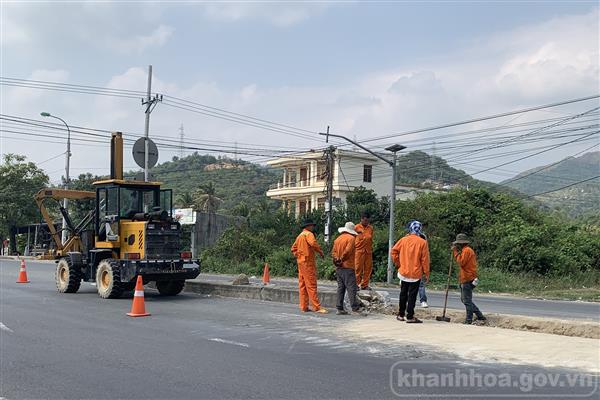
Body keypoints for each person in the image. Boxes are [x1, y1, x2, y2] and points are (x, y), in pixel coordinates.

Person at [391, 220, 430, 323]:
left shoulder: (403, 240)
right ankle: (410, 316)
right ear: (420, 229)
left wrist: (398, 263)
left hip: (404, 272)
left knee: (403, 293)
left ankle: (400, 314)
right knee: (412, 295)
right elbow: (425, 260)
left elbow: (394, 251)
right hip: (416, 273)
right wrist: (426, 273)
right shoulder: (422, 242)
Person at [291, 219, 328, 314]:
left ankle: (304, 306)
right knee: (311, 285)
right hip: (308, 263)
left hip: (301, 263)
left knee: (302, 285)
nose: (313, 227)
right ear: (308, 226)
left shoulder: (300, 236)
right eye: (312, 225)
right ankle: (316, 307)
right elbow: (313, 243)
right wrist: (320, 251)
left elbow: (293, 248)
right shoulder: (309, 234)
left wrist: (299, 255)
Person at [452, 233, 486, 324]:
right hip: (466, 277)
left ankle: (469, 319)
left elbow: (461, 262)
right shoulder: (465, 250)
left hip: (468, 278)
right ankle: (480, 315)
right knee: (465, 299)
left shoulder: (467, 250)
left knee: (466, 300)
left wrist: (455, 252)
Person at [332, 222, 363, 315]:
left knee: (341, 288)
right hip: (348, 266)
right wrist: (342, 259)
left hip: (338, 267)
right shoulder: (351, 238)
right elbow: (348, 251)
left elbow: (333, 252)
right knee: (351, 288)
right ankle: (355, 308)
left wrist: (337, 260)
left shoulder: (337, 239)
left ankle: (339, 308)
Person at [354, 212, 374, 290]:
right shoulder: (356, 227)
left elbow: (370, 238)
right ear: (361, 219)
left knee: (368, 268)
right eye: (365, 220)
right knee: (358, 268)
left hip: (368, 251)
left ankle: (364, 285)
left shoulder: (370, 228)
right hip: (358, 251)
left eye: (368, 220)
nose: (366, 222)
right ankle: (356, 284)